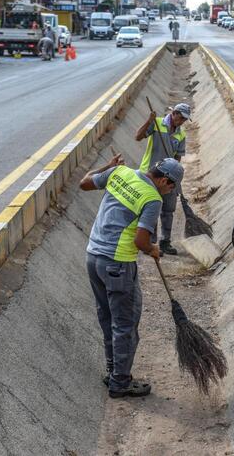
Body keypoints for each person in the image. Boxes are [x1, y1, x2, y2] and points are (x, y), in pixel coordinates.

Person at [80, 156, 184, 398]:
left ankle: (113, 370)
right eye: (171, 186)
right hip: (117, 264)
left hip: (93, 257)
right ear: (164, 179)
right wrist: (153, 249)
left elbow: (84, 183)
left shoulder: (119, 172)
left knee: (107, 318)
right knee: (125, 324)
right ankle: (120, 382)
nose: (170, 191)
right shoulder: (152, 198)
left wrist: (107, 164)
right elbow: (140, 241)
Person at [135, 103, 190, 255]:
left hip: (168, 178)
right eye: (181, 118)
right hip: (150, 175)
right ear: (174, 113)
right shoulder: (157, 124)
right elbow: (137, 137)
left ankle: (165, 242)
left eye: (185, 120)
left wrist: (175, 174)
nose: (182, 122)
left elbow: (178, 156)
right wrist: (148, 120)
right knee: (150, 208)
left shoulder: (181, 134)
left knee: (168, 210)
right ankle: (150, 242)